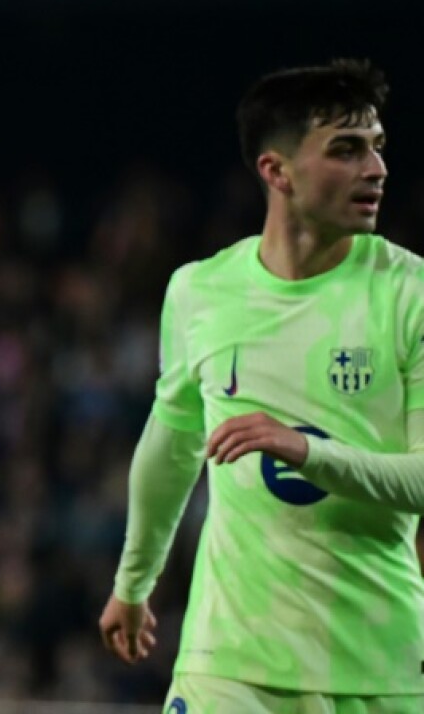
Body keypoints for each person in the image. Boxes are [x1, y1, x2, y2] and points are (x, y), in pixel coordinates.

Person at [98, 58, 424, 712]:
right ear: (276, 170)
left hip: (378, 664)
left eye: (379, 149)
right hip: (231, 664)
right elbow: (170, 449)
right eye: (347, 150)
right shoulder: (199, 291)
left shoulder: (410, 292)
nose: (376, 169)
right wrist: (134, 583)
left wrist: (306, 451)